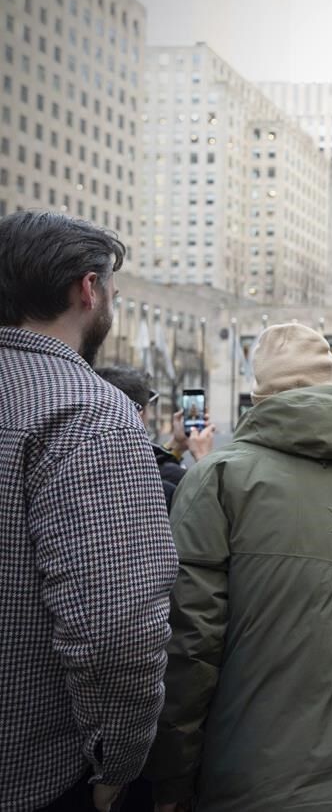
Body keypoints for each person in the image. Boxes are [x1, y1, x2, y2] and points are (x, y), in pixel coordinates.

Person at [145, 323, 332, 811]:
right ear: (331, 384)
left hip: (253, 777)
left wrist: (172, 779)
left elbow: (190, 643)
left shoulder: (217, 478)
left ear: (259, 392)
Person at [0, 211, 178, 811]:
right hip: (34, 776)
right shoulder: (89, 413)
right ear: (88, 289)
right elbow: (117, 626)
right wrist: (116, 767)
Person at [95, 365, 217, 509]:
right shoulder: (163, 490)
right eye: (150, 408)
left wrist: (177, 445)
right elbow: (210, 514)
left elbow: (155, 463)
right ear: (137, 416)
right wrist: (203, 458)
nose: (152, 416)